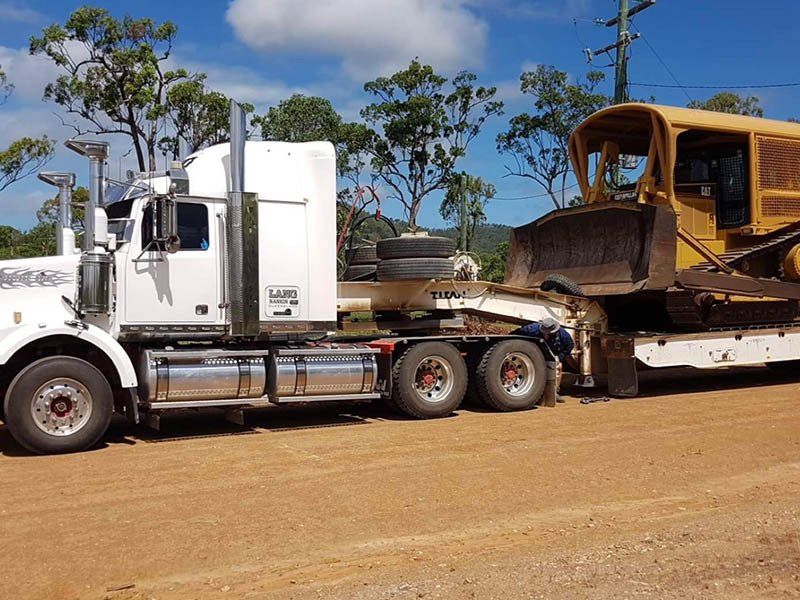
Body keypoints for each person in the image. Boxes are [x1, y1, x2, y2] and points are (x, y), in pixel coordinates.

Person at [513, 317, 577, 402]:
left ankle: (555, 392)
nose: (547, 335)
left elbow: (569, 345)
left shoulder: (563, 334)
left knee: (558, 366)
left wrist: (559, 357)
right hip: (536, 353)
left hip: (553, 355)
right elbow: (515, 334)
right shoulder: (531, 329)